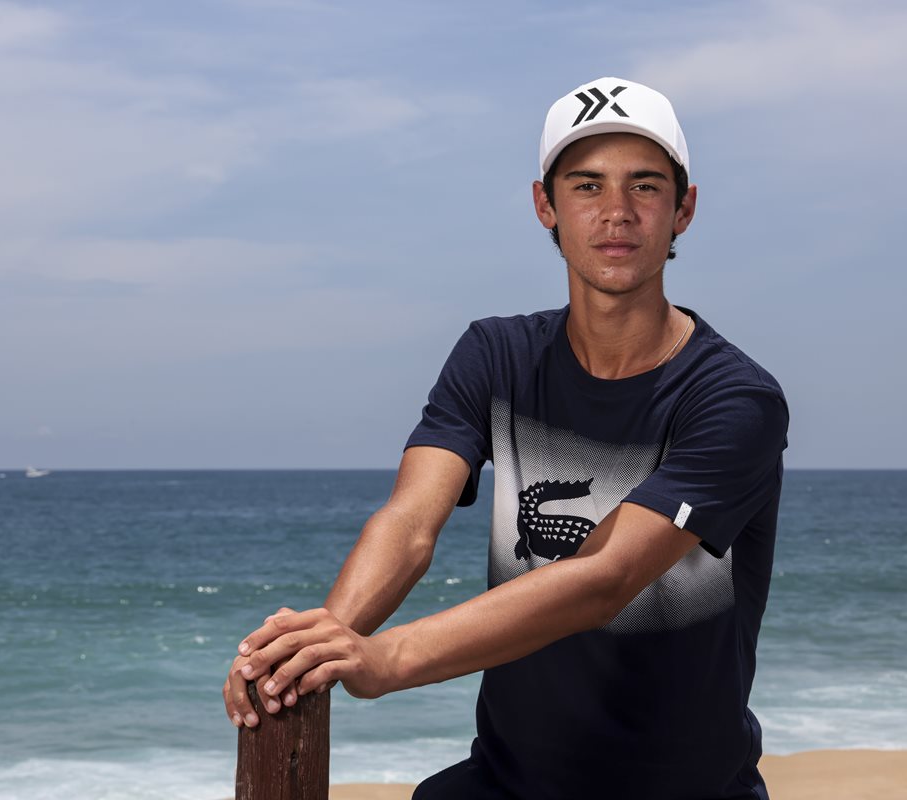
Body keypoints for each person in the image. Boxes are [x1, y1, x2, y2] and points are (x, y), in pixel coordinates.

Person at [223, 77, 788, 800]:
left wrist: (386, 659)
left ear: (684, 209)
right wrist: (319, 643)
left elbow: (606, 579)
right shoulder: (496, 357)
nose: (617, 211)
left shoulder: (734, 398)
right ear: (545, 204)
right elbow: (410, 523)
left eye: (645, 186)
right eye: (587, 185)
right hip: (506, 783)